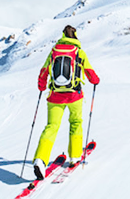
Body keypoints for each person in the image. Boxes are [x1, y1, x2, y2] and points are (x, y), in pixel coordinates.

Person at [34, 25, 101, 176]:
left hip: (55, 96)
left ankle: (40, 159)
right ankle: (75, 156)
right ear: (75, 36)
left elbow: (44, 71)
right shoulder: (79, 52)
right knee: (76, 123)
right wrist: (96, 81)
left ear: (63, 36)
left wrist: (41, 87)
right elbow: (90, 72)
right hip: (74, 96)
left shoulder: (54, 52)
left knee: (51, 127)